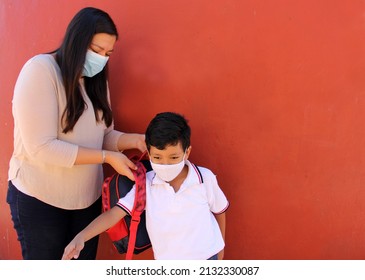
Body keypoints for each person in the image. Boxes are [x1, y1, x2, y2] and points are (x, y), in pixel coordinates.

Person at [6, 7, 146, 260]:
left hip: (85, 203)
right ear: (76, 40)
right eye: (96, 50)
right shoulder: (41, 70)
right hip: (41, 200)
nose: (101, 59)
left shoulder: (96, 81)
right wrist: (106, 157)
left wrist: (136, 141)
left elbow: (104, 137)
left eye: (108, 53)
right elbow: (42, 147)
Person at [62, 112, 229, 260]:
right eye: (157, 157)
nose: (165, 163)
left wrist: (220, 248)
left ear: (187, 152)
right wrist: (82, 237)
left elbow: (220, 211)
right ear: (148, 153)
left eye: (173, 157)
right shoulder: (146, 184)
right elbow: (113, 215)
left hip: (208, 257)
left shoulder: (204, 178)